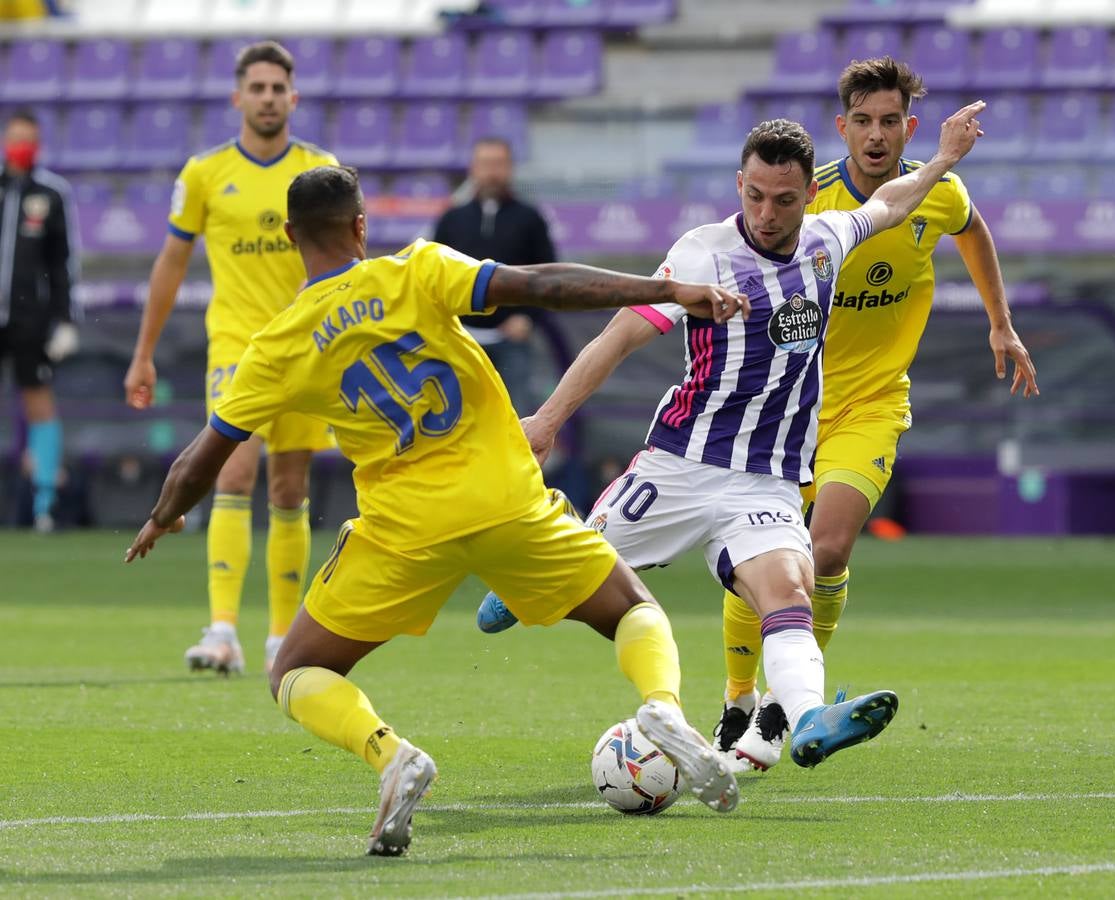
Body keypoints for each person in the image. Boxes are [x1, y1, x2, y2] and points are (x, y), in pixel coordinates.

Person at [124, 166, 750, 855]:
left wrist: (165, 514)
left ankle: (391, 756)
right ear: (360, 225)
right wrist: (667, 289)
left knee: (297, 672)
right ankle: (660, 709)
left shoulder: (276, 345)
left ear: (291, 238)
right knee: (633, 610)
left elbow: (203, 456)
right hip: (507, 499)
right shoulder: (416, 270)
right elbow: (540, 286)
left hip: (404, 531)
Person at [477, 104, 987, 770]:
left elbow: (890, 202)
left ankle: (805, 718)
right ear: (737, 185)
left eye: (783, 199)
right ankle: (534, 568)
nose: (767, 212)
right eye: (753, 195)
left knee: (787, 593)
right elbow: (620, 336)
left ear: (809, 194)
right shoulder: (702, 254)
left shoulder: (826, 240)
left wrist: (944, 159)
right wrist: (546, 420)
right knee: (566, 575)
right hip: (679, 465)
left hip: (767, 478)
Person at [717, 57, 1039, 771]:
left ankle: (778, 709)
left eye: (888, 120)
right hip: (786, 411)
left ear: (908, 127)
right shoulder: (813, 200)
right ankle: (737, 698)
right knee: (759, 560)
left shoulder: (938, 193)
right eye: (861, 120)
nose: (875, 133)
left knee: (824, 550)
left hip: (870, 406)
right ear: (842, 127)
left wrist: (999, 322)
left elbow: (973, 229)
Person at [122, 41, 339, 676]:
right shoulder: (205, 173)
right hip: (237, 346)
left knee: (291, 488)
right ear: (237, 97)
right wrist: (143, 354)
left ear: (293, 98)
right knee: (235, 474)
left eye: (279, 88)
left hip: (305, 346)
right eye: (258, 87)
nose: (268, 97)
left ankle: (280, 638)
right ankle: (221, 631)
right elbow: (171, 263)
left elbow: (347, 260)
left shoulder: (319, 169)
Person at [431, 137, 554, 413]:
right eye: (485, 164)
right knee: (459, 419)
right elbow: (433, 276)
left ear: (510, 168)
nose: (492, 172)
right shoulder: (451, 219)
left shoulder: (530, 218)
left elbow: (548, 276)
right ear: (473, 169)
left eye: (499, 164)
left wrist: (527, 318)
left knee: (517, 416)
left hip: (512, 340)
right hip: (460, 340)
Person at [0, 109, 79, 533]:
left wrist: (66, 318)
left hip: (31, 317)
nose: (20, 145)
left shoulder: (51, 193)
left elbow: (64, 260)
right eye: (15, 137)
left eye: (28, 138)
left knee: (38, 401)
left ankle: (44, 503)